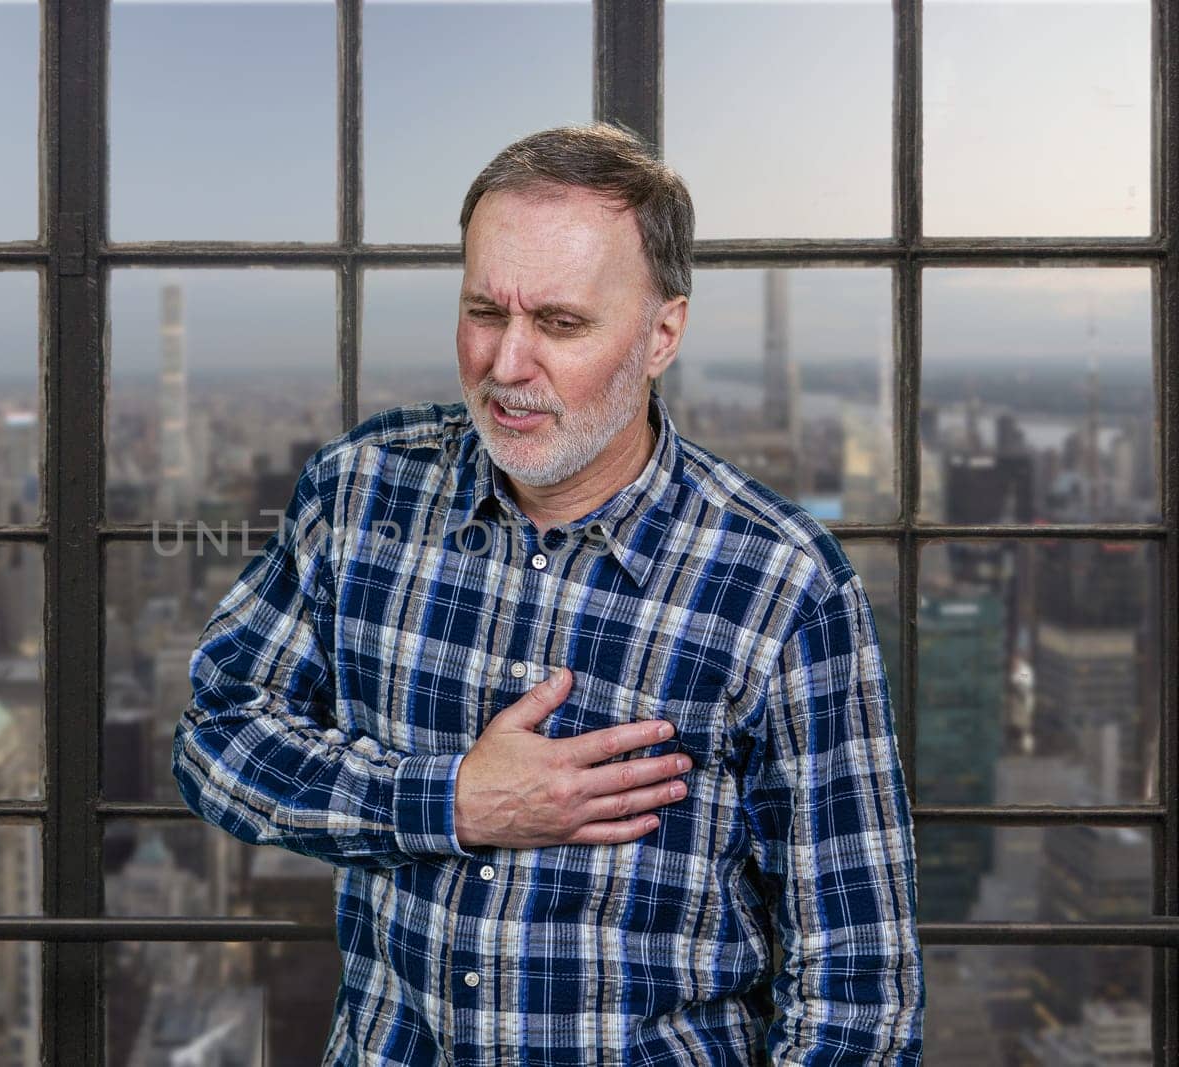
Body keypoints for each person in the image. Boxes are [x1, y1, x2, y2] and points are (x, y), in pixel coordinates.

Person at [174, 123, 923, 1065]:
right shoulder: (359, 491)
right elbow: (216, 735)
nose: (506, 364)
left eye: (562, 324)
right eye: (485, 310)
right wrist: (446, 801)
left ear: (662, 333)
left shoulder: (782, 584)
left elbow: (859, 993)